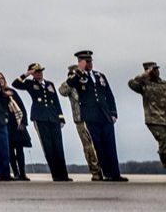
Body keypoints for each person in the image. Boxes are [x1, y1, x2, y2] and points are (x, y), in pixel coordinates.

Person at [66, 50, 126, 181]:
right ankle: (107, 173)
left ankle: (115, 173)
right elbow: (69, 85)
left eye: (90, 61)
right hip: (90, 116)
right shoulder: (77, 77)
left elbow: (109, 95)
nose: (90, 64)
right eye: (86, 62)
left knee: (110, 144)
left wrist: (113, 113)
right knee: (98, 145)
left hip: (105, 115)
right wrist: (79, 71)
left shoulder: (100, 76)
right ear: (80, 63)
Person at [13, 63, 73, 181]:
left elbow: (56, 101)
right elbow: (15, 84)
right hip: (40, 117)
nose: (39, 73)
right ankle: (56, 175)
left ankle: (64, 175)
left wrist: (61, 117)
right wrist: (26, 74)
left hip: (53, 117)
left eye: (40, 71)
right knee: (48, 146)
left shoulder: (50, 84)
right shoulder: (30, 84)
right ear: (32, 73)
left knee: (58, 146)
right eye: (36, 72)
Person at [58, 67, 103, 180]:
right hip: (80, 119)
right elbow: (62, 91)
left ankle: (106, 169)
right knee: (88, 147)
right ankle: (95, 172)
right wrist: (73, 78)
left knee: (100, 144)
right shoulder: (70, 85)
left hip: (93, 117)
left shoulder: (87, 83)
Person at [0, 72, 31, 181]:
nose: (0, 80)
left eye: (1, 78)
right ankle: (16, 172)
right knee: (10, 151)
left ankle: (22, 172)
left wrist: (23, 122)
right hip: (6, 124)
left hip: (16, 123)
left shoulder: (12, 92)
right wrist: (4, 96)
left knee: (20, 150)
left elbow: (21, 107)